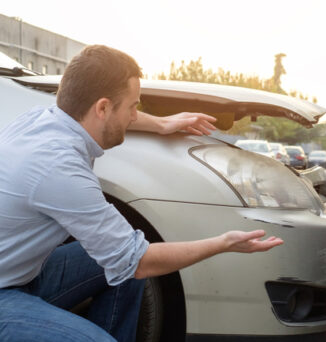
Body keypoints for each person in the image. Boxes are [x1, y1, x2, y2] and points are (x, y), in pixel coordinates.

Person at [0, 45, 284, 342]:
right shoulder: (59, 167)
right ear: (103, 108)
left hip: (22, 276)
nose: (135, 116)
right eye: (133, 107)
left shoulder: (42, 119)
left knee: (119, 263)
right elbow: (139, 261)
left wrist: (162, 123)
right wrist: (222, 243)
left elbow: (126, 261)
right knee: (130, 265)